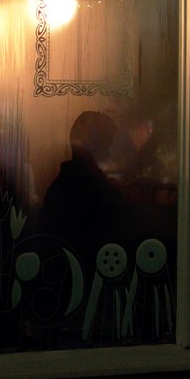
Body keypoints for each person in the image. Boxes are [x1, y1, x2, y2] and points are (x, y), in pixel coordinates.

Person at [39, 111, 129, 266]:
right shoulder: (89, 187)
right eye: (107, 141)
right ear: (94, 142)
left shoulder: (66, 182)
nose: (109, 150)